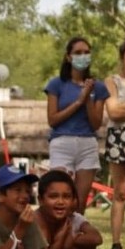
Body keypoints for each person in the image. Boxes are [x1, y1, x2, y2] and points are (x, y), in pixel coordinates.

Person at [44, 36, 109, 214]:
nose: (83, 56)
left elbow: (96, 123)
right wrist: (78, 101)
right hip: (62, 142)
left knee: (79, 204)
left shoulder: (98, 87)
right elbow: (53, 119)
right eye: (78, 52)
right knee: (60, 199)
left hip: (87, 143)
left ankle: (75, 238)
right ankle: (57, 239)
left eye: (87, 52)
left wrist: (88, 99)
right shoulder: (56, 84)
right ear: (68, 57)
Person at [103, 38, 125, 249]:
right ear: (123, 57)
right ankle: (116, 244)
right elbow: (113, 112)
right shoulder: (111, 81)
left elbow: (118, 108)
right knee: (120, 192)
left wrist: (124, 107)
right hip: (118, 138)